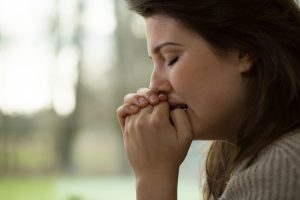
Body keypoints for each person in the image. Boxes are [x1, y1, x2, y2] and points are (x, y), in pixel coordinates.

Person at [116, 0, 300, 199]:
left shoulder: (282, 167)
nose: (155, 85)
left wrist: (153, 178)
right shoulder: (236, 161)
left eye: (171, 58)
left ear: (244, 52)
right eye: (154, 62)